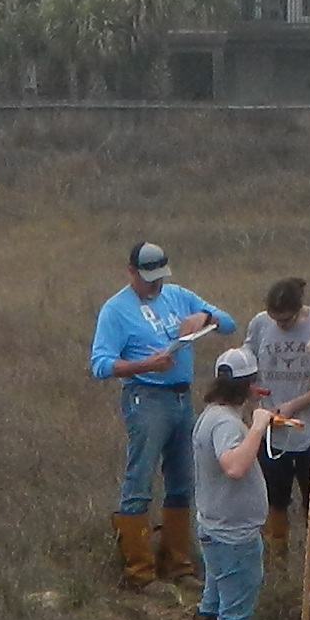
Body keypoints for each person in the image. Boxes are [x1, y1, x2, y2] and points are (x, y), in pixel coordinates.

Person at [87, 238, 233, 589]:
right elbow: (100, 364)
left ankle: (177, 563)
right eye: (149, 277)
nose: (156, 283)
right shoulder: (115, 310)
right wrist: (145, 364)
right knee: (139, 480)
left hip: (182, 399)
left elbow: (228, 324)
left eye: (160, 276)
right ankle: (139, 569)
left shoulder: (179, 296)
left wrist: (205, 317)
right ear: (131, 272)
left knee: (182, 481)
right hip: (146, 397)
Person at [241, 277, 310, 575]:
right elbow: (248, 363)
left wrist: (296, 403)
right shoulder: (259, 325)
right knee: (274, 500)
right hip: (271, 430)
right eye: (276, 320)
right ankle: (276, 566)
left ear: (298, 310)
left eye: (286, 320)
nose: (280, 325)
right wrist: (251, 390)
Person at [190, 349, 272, 620]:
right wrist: (258, 426)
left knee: (214, 601)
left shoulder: (211, 415)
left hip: (215, 528)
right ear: (249, 386)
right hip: (233, 536)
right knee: (234, 613)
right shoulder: (225, 423)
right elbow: (235, 466)